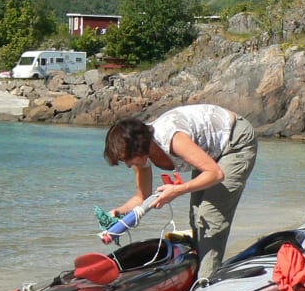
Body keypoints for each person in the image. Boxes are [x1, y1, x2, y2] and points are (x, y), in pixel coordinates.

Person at [104, 104, 258, 279]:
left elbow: (215, 174)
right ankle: (199, 270)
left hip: (235, 140)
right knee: (195, 215)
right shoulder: (143, 155)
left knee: (210, 215)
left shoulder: (173, 139)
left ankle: (205, 281)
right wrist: (118, 213)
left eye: (128, 159)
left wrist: (177, 190)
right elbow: (141, 197)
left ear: (138, 147)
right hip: (211, 150)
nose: (129, 164)